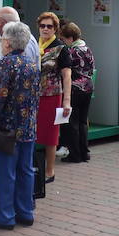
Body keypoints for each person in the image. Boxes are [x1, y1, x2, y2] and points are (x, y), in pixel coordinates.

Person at [0, 21, 40, 230]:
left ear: (8, 42)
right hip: (28, 127)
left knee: (6, 175)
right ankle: (25, 212)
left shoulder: (6, 64)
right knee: (26, 170)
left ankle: (5, 217)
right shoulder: (31, 63)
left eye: (2, 39)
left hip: (7, 130)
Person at [34, 12, 71, 183]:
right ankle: (31, 168)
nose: (45, 29)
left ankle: (50, 171)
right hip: (33, 96)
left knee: (50, 135)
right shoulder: (33, 45)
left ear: (55, 28)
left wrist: (66, 101)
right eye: (43, 26)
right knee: (31, 132)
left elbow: (67, 76)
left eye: (49, 26)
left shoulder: (61, 48)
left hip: (52, 95)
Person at [58, 22, 94, 164]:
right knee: (83, 121)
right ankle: (85, 152)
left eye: (64, 39)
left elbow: (65, 71)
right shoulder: (87, 49)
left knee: (72, 123)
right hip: (88, 87)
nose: (63, 42)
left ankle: (75, 155)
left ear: (70, 38)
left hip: (74, 88)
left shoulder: (71, 51)